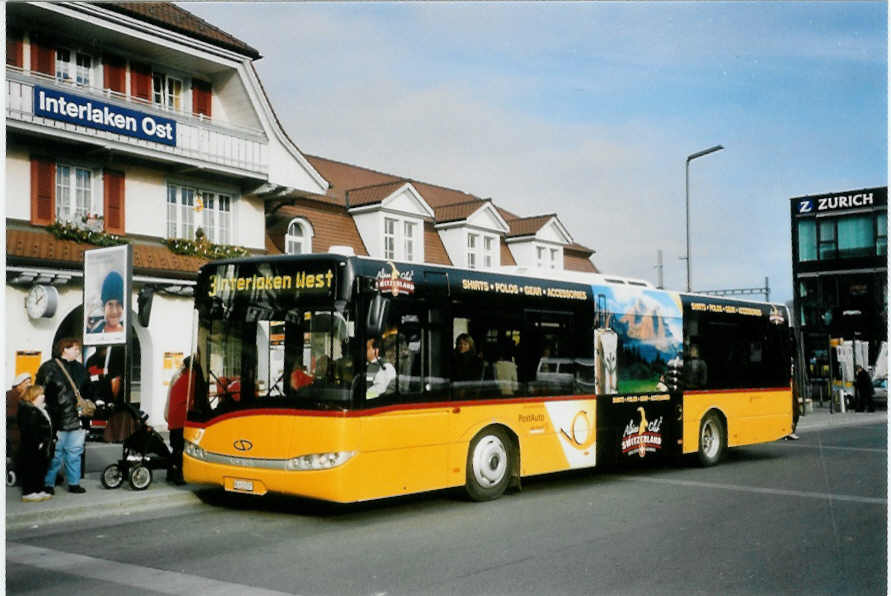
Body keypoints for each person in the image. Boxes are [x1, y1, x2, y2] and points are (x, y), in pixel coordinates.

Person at [37, 337, 92, 495]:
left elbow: (89, 390)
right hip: (56, 419)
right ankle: (49, 483)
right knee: (55, 454)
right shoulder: (49, 368)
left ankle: (73, 483)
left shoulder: (80, 368)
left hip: (76, 418)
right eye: (75, 348)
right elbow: (40, 392)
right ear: (65, 349)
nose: (78, 351)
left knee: (74, 453)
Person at [16, 385, 54, 502]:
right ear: (33, 396)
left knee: (40, 468)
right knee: (31, 468)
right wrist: (39, 442)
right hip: (33, 446)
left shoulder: (39, 408)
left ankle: (38, 489)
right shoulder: (29, 411)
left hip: (42, 445)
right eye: (41, 395)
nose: (44, 397)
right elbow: (30, 430)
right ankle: (28, 492)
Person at [164, 356, 196, 485]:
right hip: (181, 418)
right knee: (180, 448)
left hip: (173, 416)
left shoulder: (178, 375)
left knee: (175, 447)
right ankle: (178, 475)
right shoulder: (191, 377)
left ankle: (170, 473)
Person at [7, 372, 32, 465]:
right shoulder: (9, 395)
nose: (29, 385)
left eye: (30, 383)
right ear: (19, 384)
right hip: (13, 432)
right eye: (26, 383)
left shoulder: (25, 397)